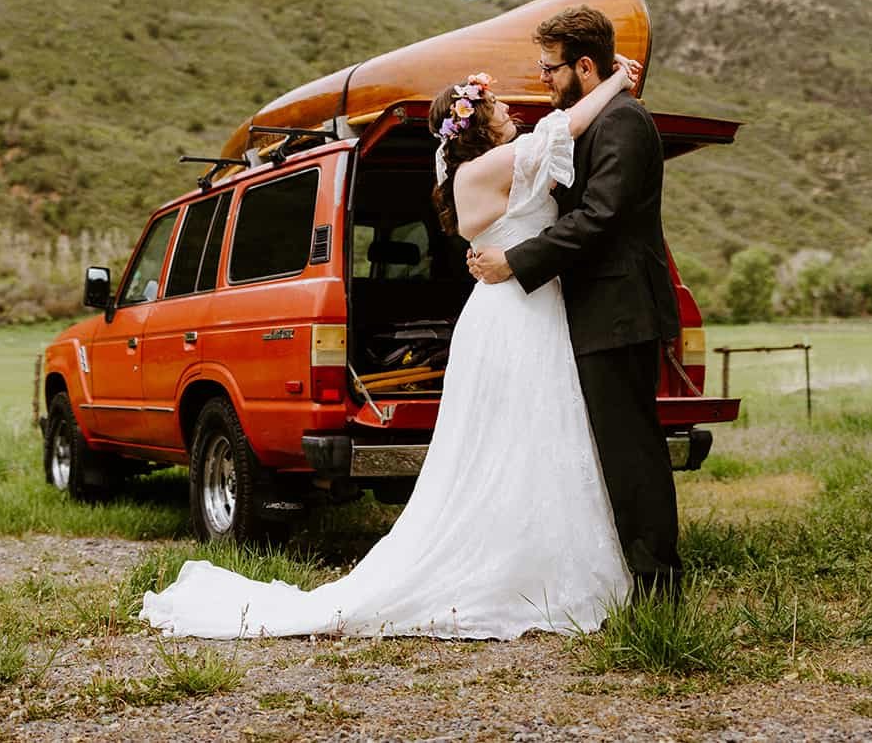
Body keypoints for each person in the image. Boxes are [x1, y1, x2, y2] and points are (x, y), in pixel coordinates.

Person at [139, 50, 642, 640]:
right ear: (477, 123)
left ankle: (546, 559)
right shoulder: (485, 170)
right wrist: (614, 82)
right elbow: (565, 128)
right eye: (498, 104)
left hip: (529, 308)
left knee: (539, 436)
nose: (511, 109)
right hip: (514, 317)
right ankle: (520, 568)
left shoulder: (492, 166)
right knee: (517, 437)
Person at [468, 5, 683, 599]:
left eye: (549, 68)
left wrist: (517, 259)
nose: (543, 79)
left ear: (583, 66)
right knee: (608, 452)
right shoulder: (594, 118)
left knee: (631, 452)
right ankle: (622, 578)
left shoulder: (625, 123)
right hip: (593, 311)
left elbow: (601, 216)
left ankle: (659, 589)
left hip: (620, 310)